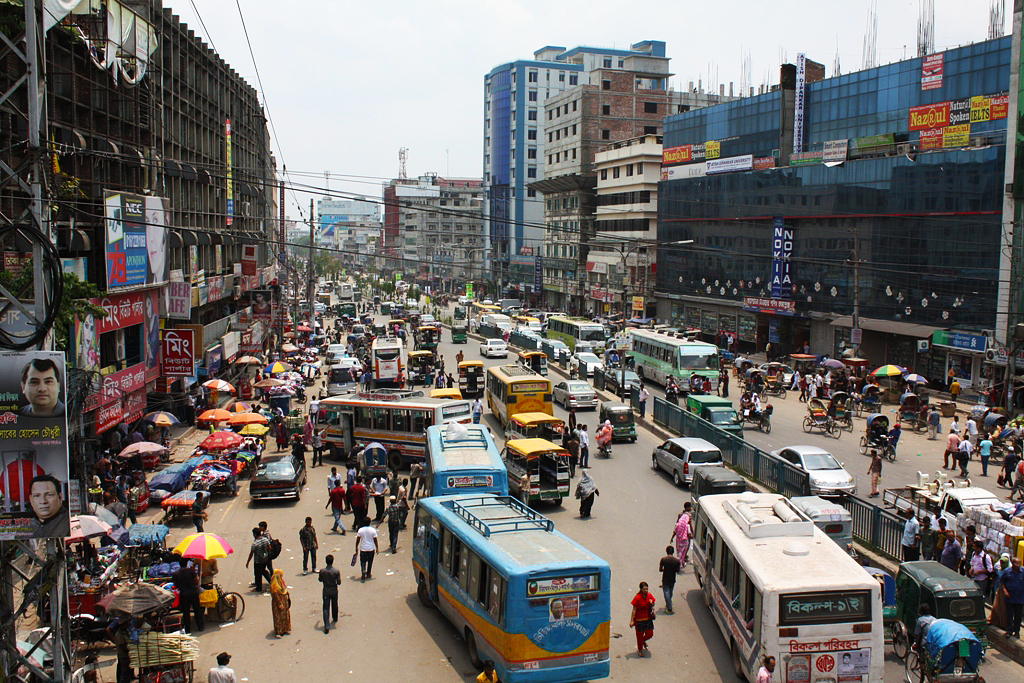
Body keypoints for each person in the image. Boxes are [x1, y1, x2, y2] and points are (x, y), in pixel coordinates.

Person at [171, 561, 203, 633]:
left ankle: (188, 629)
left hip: (184, 594)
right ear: (186, 564)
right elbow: (196, 581)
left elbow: (175, 585)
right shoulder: (191, 571)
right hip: (193, 593)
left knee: (186, 612)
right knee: (197, 609)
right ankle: (200, 626)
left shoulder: (176, 574)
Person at [998, 555, 1024, 639]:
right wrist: (1004, 590)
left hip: (1020, 598)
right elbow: (1001, 582)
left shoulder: (1023, 571)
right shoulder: (1007, 571)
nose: (1018, 565)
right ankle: (1009, 631)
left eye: (1019, 563)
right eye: (1016, 563)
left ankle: (1017, 632)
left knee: (1018, 616)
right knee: (1009, 615)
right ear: (1012, 563)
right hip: (1009, 598)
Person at [629, 581, 655, 656]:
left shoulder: (649, 595)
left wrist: (651, 603)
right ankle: (640, 650)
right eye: (644, 589)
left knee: (650, 634)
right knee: (639, 636)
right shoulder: (637, 597)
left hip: (648, 619)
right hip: (639, 620)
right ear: (641, 589)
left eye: (647, 589)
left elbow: (653, 603)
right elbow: (634, 609)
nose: (646, 590)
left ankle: (642, 641)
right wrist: (632, 621)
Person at [318, 554, 342, 634]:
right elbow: (339, 582)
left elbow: (320, 580)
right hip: (334, 590)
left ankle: (327, 626)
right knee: (334, 605)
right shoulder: (336, 571)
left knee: (326, 608)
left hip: (326, 590)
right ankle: (335, 617)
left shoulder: (322, 571)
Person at [245, 527, 273, 593]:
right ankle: (271, 582)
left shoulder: (255, 543)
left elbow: (251, 554)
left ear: (255, 534)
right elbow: (269, 548)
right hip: (265, 559)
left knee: (258, 574)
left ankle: (259, 588)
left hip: (258, 561)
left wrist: (248, 562)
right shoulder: (265, 539)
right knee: (263, 571)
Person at [269, 569, 291, 638]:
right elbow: (275, 595)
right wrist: (280, 603)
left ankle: (285, 629)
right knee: (278, 616)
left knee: (285, 615)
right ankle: (278, 631)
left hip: (284, 600)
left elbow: (284, 589)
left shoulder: (280, 581)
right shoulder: (274, 584)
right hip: (278, 602)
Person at [658, 546, 681, 614]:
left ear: (666, 551)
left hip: (665, 578)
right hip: (672, 578)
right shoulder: (676, 561)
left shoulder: (663, 560)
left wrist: (665, 569)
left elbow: (660, 569)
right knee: (670, 592)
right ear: (673, 552)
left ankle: (669, 607)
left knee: (666, 592)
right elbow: (678, 570)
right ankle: (669, 604)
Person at [672, 503, 692, 568]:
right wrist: (692, 533)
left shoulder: (680, 514)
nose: (691, 508)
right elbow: (689, 525)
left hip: (679, 535)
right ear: (687, 507)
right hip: (686, 535)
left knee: (679, 549)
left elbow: (677, 523)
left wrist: (675, 533)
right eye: (690, 507)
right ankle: (683, 559)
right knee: (685, 547)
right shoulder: (688, 516)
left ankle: (681, 560)